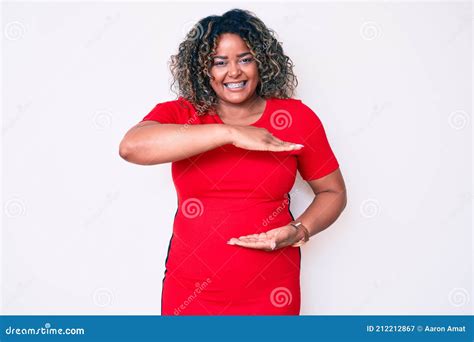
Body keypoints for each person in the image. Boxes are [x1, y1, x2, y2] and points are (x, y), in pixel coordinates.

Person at [119, 8, 347, 315]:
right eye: (219, 62)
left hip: (271, 291)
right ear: (203, 69)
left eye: (245, 58)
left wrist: (299, 229)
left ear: (262, 62)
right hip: (191, 292)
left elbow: (333, 192)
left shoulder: (295, 117)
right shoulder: (183, 115)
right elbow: (131, 147)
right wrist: (230, 133)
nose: (234, 72)